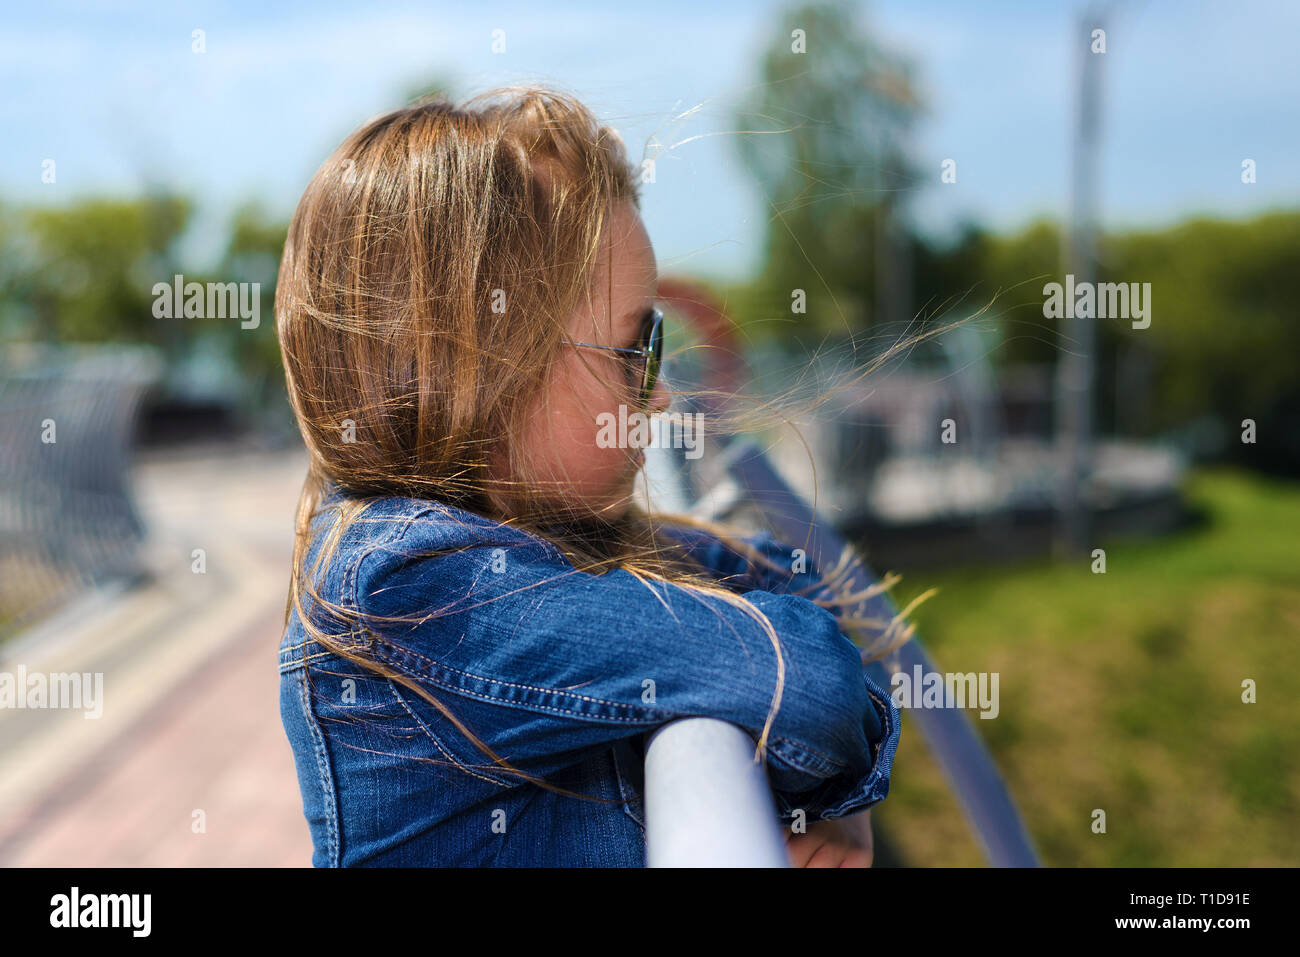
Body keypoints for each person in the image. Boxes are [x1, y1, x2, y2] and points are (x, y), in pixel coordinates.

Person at [275, 86, 903, 867]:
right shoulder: (403, 591)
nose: (659, 389)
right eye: (636, 348)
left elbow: (798, 583)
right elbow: (804, 684)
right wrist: (838, 782)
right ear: (486, 366)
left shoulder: (552, 533)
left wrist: (838, 791)